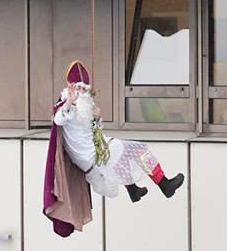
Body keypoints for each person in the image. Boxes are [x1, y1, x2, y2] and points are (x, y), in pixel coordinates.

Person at [51, 60, 185, 204]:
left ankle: (133, 190)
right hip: (90, 156)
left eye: (85, 89)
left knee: (123, 154)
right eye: (81, 89)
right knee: (139, 149)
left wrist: (95, 118)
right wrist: (70, 101)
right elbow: (58, 120)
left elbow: (92, 133)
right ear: (72, 90)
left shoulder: (83, 108)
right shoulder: (66, 107)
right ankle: (164, 184)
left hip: (92, 153)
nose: (85, 93)